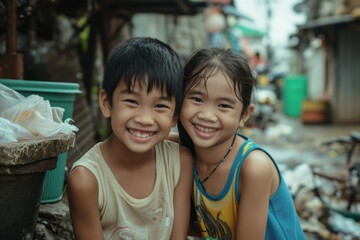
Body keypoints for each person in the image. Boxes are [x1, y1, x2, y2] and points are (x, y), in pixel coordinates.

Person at [67, 37, 193, 240]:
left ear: (175, 117)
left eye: (160, 106)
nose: (144, 119)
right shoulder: (86, 180)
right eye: (132, 101)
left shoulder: (179, 163)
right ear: (107, 103)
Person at [177, 47, 306, 239]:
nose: (206, 115)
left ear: (245, 115)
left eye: (224, 106)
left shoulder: (253, 167)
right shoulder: (184, 152)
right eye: (196, 99)